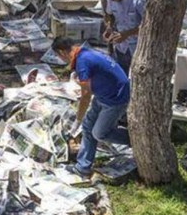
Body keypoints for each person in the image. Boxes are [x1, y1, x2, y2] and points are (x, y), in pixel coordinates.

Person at [51, 36, 130, 178]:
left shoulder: (83, 62)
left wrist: (77, 120)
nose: (62, 60)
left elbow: (85, 95)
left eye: (59, 56)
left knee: (99, 133)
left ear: (62, 52)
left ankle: (132, 139)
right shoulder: (84, 53)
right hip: (102, 95)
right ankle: (83, 167)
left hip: (115, 99)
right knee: (88, 128)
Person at [102, 0, 147, 75]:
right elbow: (110, 15)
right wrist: (109, 27)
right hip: (121, 47)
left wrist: (126, 34)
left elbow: (148, 26)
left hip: (137, 48)